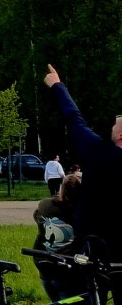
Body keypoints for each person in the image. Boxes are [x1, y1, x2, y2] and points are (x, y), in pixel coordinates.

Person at [44, 63, 122, 300]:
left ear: (120, 134)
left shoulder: (97, 152)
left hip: (96, 249)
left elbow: (74, 118)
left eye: (115, 123)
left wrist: (57, 85)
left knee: (92, 295)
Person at [32, 173, 84, 302]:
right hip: (67, 272)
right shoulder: (80, 211)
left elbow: (36, 217)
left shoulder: (45, 205)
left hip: (45, 267)